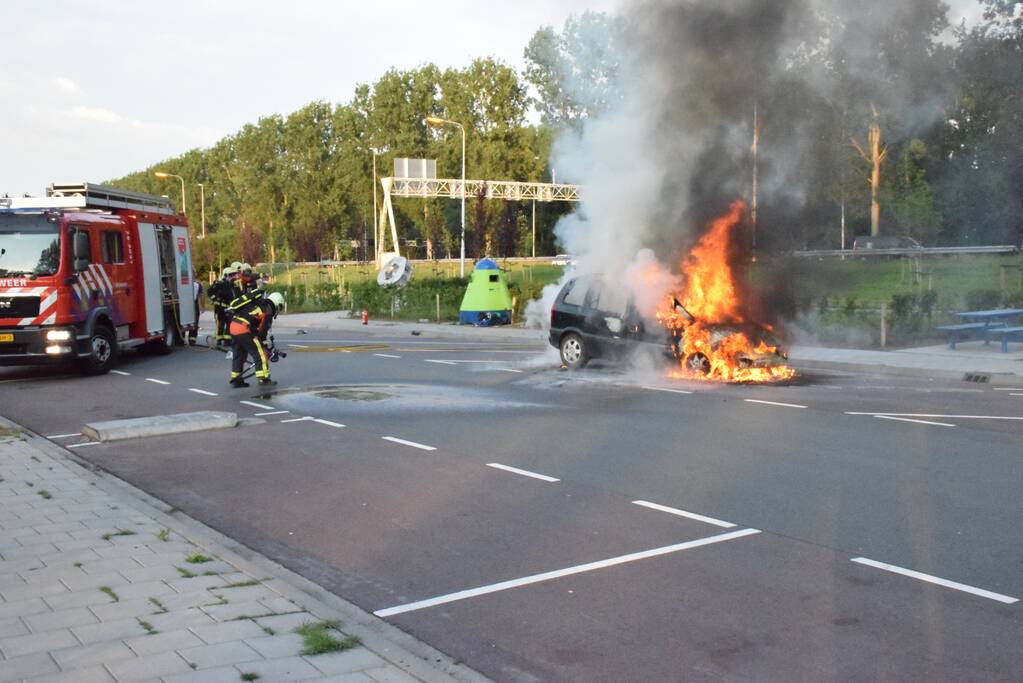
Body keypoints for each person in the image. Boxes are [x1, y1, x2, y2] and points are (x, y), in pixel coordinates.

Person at [228, 291, 285, 388]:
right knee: (261, 354)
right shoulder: (268, 310)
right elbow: (262, 331)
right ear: (277, 305)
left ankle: (236, 379)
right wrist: (264, 347)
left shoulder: (257, 303)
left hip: (233, 326)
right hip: (244, 328)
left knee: (239, 354)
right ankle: (264, 378)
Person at [207, 265, 236, 347]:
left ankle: (227, 340)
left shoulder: (232, 284)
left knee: (229, 324)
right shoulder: (219, 283)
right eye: (230, 275)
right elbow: (209, 291)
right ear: (225, 275)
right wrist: (215, 299)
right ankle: (219, 340)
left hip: (228, 307)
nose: (232, 277)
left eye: (233, 275)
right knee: (220, 324)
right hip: (219, 308)